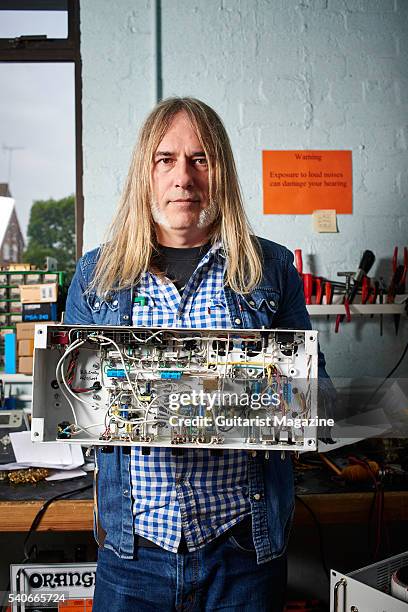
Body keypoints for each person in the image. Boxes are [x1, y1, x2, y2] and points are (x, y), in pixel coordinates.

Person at [65, 97, 332, 611]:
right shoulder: (97, 275)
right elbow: (74, 402)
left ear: (221, 171)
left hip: (240, 548)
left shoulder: (270, 268)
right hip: (134, 552)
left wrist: (164, 395)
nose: (182, 178)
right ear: (145, 172)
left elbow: (312, 396)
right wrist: (222, 393)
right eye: (165, 159)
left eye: (200, 158)